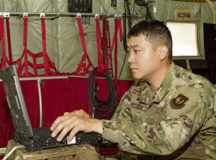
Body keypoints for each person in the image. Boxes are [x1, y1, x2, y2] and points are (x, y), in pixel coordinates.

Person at [50, 19, 216, 159]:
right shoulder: (138, 91)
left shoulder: (194, 89)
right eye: (129, 51)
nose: (130, 59)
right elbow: (117, 132)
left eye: (137, 51)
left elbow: (168, 141)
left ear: (161, 52)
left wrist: (97, 125)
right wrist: (83, 124)